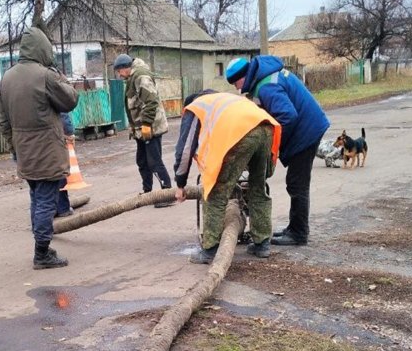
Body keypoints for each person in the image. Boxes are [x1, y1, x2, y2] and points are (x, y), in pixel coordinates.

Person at [226, 55, 330, 246]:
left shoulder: (266, 86)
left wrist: (271, 145)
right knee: (295, 182)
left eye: (235, 83)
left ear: (243, 76)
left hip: (307, 130)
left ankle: (299, 234)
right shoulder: (266, 75)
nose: (237, 88)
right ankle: (294, 228)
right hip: (310, 125)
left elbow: (287, 116)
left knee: (297, 184)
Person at [0, 27, 79, 270]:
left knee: (36, 197)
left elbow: (3, 121)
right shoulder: (45, 76)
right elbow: (70, 100)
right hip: (47, 150)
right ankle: (42, 252)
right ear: (43, 49)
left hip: (23, 151)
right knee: (46, 200)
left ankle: (41, 245)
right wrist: (59, 76)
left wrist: (15, 149)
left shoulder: (7, 78)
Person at [174, 90, 281, 263]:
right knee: (257, 188)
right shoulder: (225, 100)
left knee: (215, 192)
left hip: (241, 132)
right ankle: (262, 244)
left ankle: (210, 250)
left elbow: (185, 150)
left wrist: (180, 184)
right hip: (265, 127)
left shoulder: (195, 108)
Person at [112, 53, 174, 208]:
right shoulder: (132, 77)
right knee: (142, 161)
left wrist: (146, 124)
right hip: (141, 129)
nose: (119, 75)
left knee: (154, 160)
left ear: (125, 68)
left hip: (151, 127)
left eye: (119, 71)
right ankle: (147, 192)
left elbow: (151, 102)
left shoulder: (141, 77)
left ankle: (167, 194)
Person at [55, 112, 75, 218]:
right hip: (52, 139)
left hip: (27, 144)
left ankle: (46, 211)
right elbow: (62, 112)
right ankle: (63, 208)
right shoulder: (50, 94)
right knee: (59, 172)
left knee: (39, 179)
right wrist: (69, 133)